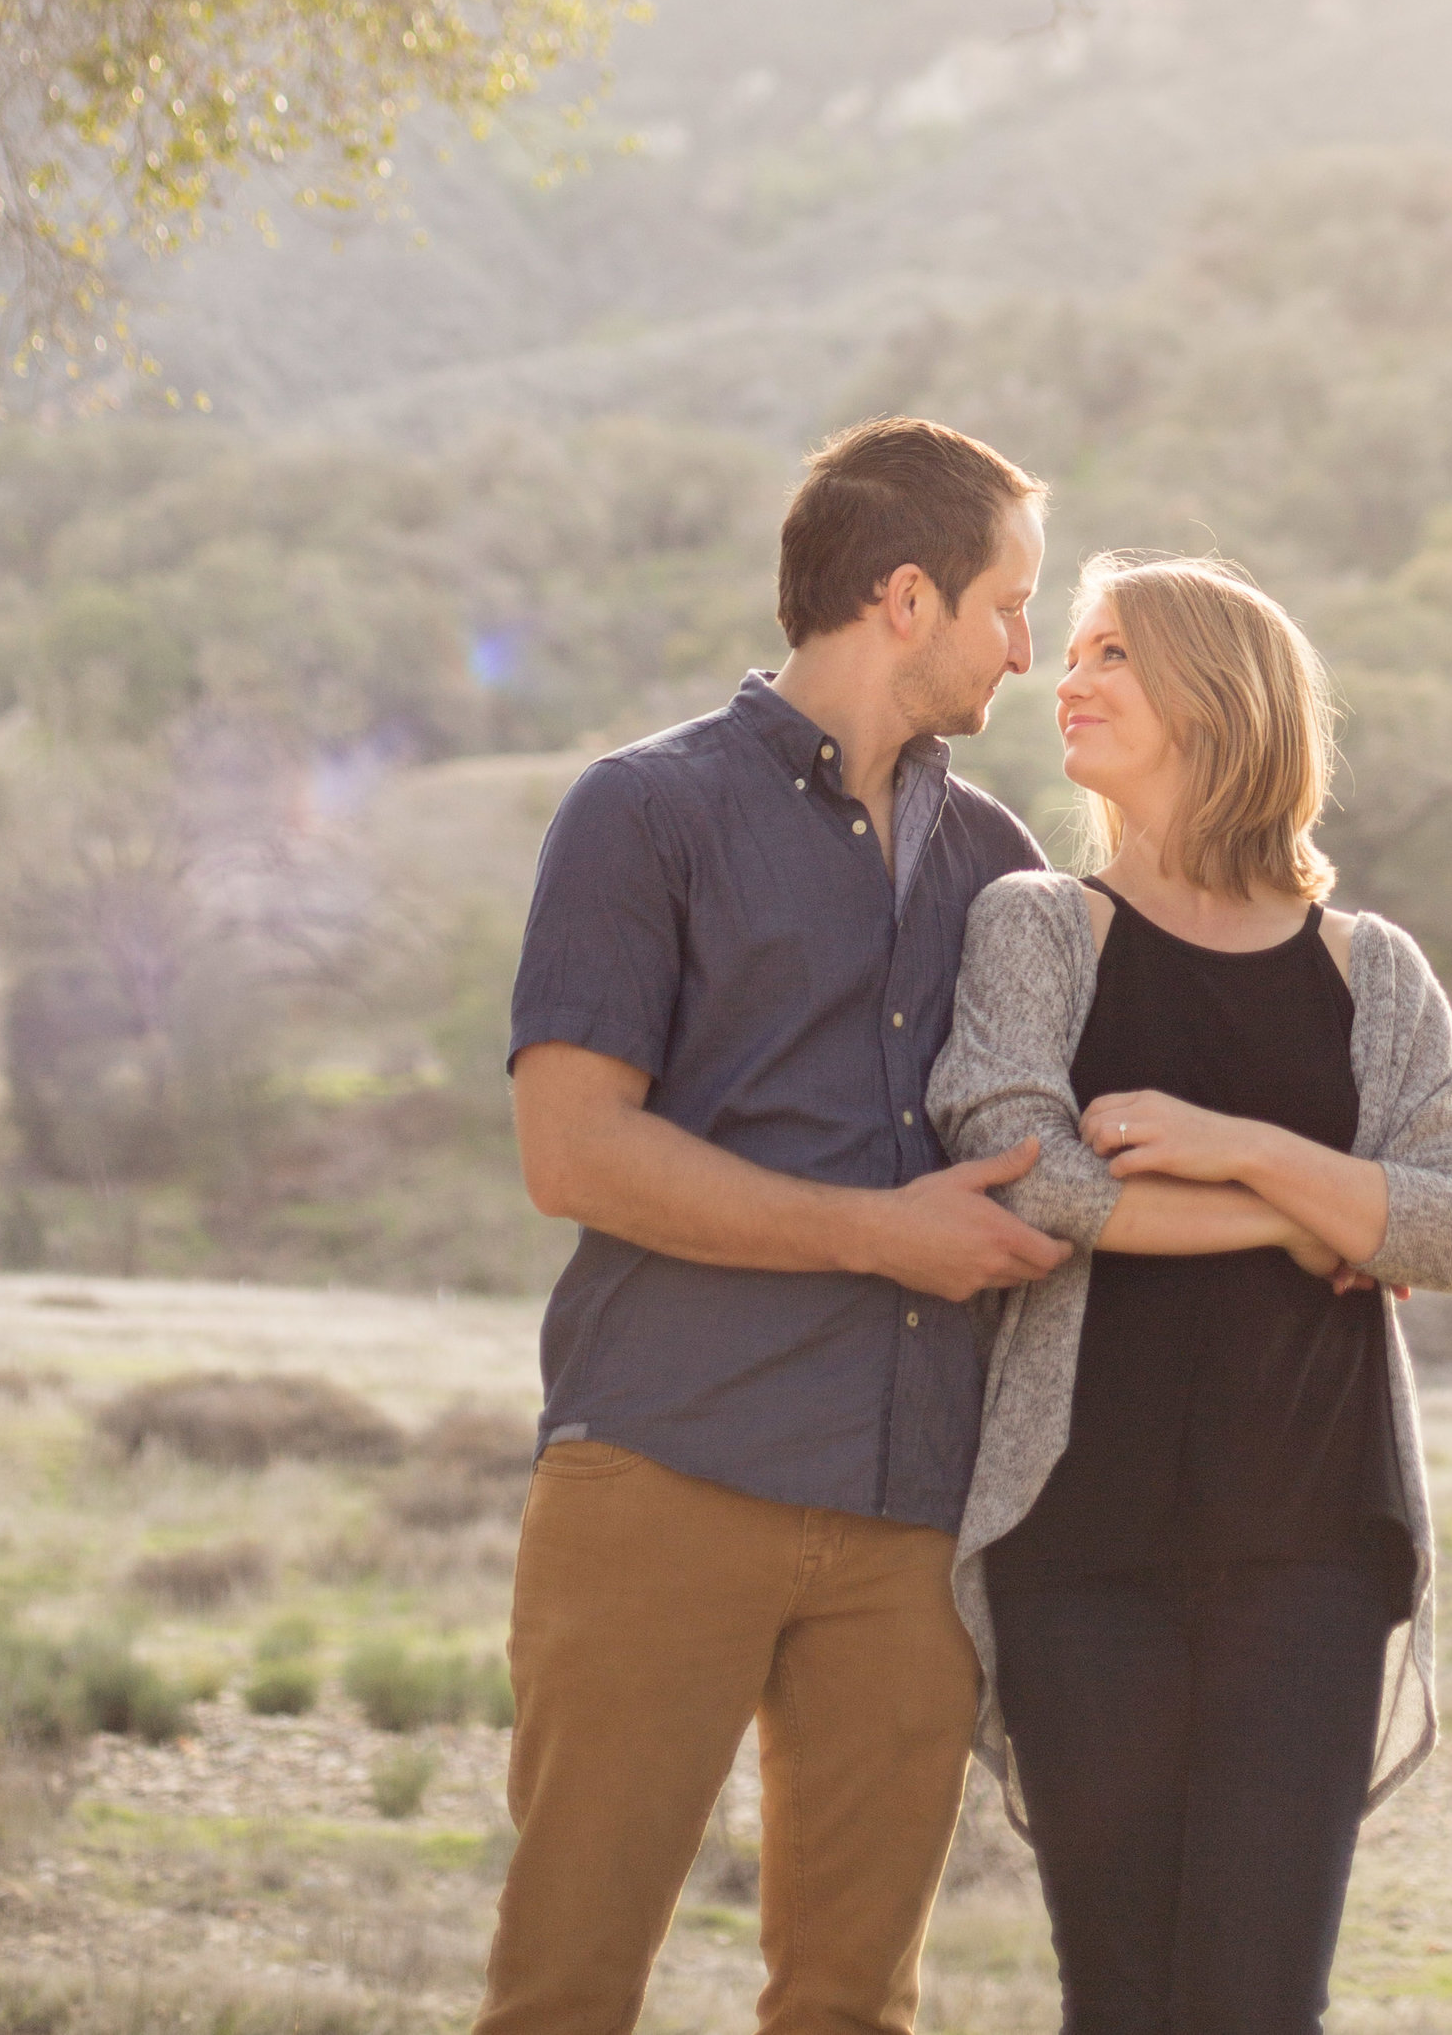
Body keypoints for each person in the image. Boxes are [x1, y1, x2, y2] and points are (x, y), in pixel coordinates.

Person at [473, 415, 1072, 2035]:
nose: (1031, 645)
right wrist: (883, 1236)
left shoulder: (1003, 864)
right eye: (1009, 602)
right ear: (905, 595)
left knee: (854, 2008)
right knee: (565, 1990)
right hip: (666, 1468)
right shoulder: (641, 812)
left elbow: (1068, 1149)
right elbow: (574, 1152)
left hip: (910, 1517)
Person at [927, 550, 1452, 2035]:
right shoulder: (1039, 924)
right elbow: (1032, 1173)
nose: (1066, 678)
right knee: (1120, 2000)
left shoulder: (1369, 970)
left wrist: (1238, 1145)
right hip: (1082, 1543)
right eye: (1068, 650)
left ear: (1221, 692)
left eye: (1111, 651)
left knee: (1257, 2003)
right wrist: (1297, 1212)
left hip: (1313, 1548)